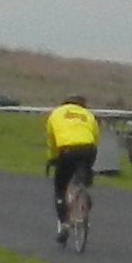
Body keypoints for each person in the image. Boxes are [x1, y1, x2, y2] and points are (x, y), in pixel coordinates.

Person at [44, 96, 100, 233]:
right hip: (88, 149)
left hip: (67, 150)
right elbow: (95, 136)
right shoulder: (88, 114)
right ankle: (84, 191)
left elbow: (51, 140)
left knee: (60, 187)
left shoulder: (56, 113)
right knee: (83, 173)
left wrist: (52, 158)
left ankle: (64, 223)